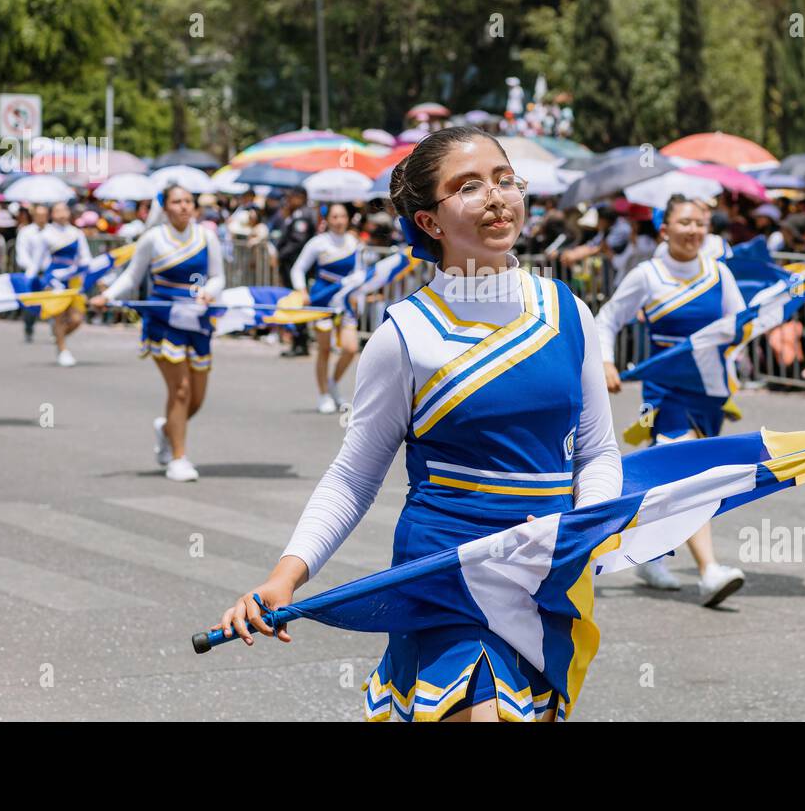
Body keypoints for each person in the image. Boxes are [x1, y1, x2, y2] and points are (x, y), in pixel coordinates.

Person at [218, 127, 622, 722]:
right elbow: (354, 476)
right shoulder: (404, 336)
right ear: (430, 223)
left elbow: (597, 453)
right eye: (469, 186)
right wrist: (286, 576)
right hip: (448, 574)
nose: (496, 196)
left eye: (505, 179)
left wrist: (586, 532)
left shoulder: (569, 311)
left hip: (546, 575)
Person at [594, 195, 748, 607]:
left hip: (710, 393)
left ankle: (643, 551)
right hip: (666, 392)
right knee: (690, 474)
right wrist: (606, 362)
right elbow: (607, 318)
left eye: (700, 223)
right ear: (665, 229)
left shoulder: (719, 274)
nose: (694, 230)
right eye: (684, 222)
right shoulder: (648, 275)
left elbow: (741, 327)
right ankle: (709, 571)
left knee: (671, 475)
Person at [89, 184, 224, 482]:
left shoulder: (207, 237)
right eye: (177, 201)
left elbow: (217, 276)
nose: (184, 206)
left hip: (198, 321)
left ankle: (166, 429)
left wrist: (208, 293)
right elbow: (132, 277)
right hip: (164, 321)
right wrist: (107, 297)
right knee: (181, 390)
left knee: (197, 399)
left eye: (189, 201)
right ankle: (179, 458)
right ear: (165, 207)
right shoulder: (153, 239)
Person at [289, 202, 365, 413]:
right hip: (322, 301)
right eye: (334, 217)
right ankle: (323, 394)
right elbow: (298, 269)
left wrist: (357, 295)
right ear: (327, 220)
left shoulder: (353, 242)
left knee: (350, 348)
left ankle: (333, 383)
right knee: (323, 350)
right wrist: (302, 290)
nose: (339, 221)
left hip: (345, 301)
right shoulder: (318, 243)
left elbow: (359, 272)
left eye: (342, 216)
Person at [33, 201, 92, 367]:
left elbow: (85, 256)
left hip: (73, 279)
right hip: (55, 279)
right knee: (59, 316)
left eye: (64, 210)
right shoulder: (46, 234)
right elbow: (38, 261)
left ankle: (59, 337)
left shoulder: (76, 233)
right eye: (57, 210)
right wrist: (34, 279)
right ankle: (62, 349)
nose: (61, 214)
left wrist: (83, 268)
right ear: (52, 214)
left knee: (76, 318)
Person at [269, 189, 317, 356]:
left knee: (298, 303)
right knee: (294, 302)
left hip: (295, 265)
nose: (289, 200)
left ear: (301, 197)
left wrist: (280, 255)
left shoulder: (302, 215)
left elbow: (297, 241)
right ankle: (298, 341)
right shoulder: (296, 213)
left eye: (292, 196)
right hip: (291, 265)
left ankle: (300, 343)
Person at [15, 204, 48, 343]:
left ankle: (56, 332)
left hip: (48, 273)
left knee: (53, 303)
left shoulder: (52, 231)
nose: (42, 218)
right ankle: (29, 328)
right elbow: (22, 254)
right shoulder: (26, 232)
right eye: (39, 215)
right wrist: (31, 268)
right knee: (31, 304)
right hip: (31, 273)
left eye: (44, 215)